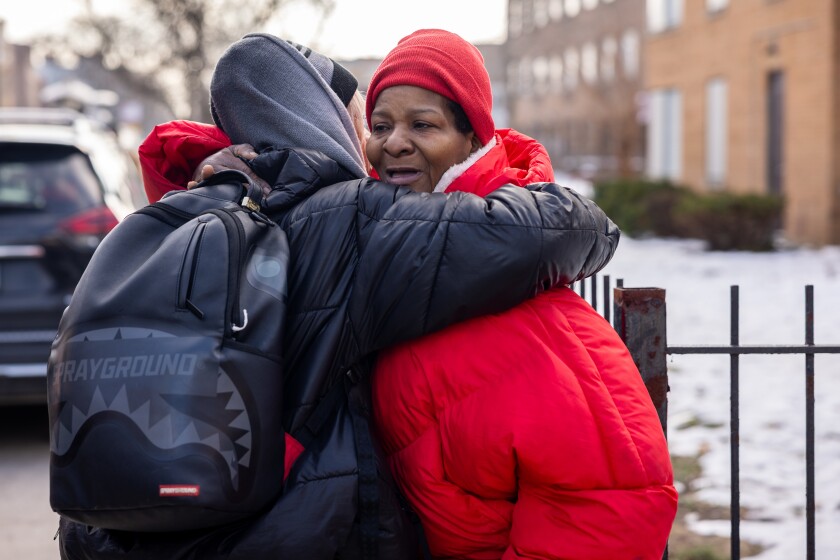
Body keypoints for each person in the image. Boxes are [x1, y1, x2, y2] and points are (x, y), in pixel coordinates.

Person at [57, 34, 619, 560]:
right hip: (297, 529)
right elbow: (536, 235)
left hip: (147, 531)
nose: (378, 143)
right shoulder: (347, 216)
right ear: (319, 113)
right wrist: (589, 218)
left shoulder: (193, 207)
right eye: (367, 118)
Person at [365, 29, 678, 559]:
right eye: (380, 125)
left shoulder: (541, 319)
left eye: (422, 124)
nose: (394, 141)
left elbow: (609, 513)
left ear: (473, 140)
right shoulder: (374, 264)